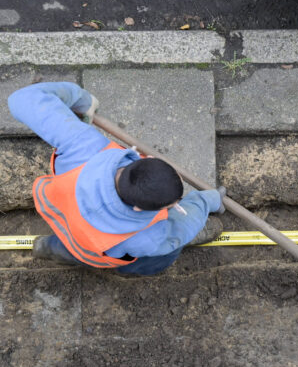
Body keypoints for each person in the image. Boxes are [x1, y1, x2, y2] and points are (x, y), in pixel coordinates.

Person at [7, 81, 224, 276]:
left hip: (62, 215)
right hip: (95, 250)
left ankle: (50, 248)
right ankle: (63, 252)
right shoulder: (146, 236)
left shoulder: (83, 144)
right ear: (139, 209)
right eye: (171, 205)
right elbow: (178, 230)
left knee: (69, 243)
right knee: (164, 253)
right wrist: (207, 201)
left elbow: (21, 100)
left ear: (143, 159)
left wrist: (82, 100)